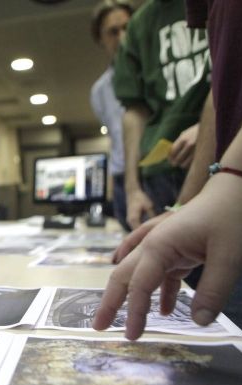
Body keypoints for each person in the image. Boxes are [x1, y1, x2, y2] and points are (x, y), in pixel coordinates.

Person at [94, 0, 242, 343]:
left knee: (236, 319)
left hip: (236, 177)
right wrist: (180, 204)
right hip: (216, 180)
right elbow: (223, 81)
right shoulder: (154, 21)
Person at [113, 0, 211, 229]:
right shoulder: (139, 24)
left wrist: (207, 129)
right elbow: (134, 111)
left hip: (225, 162)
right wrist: (132, 189)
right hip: (161, 175)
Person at [89, 0, 134, 232]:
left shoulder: (152, 74)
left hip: (155, 172)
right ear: (101, 38)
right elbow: (116, 137)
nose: (122, 37)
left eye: (128, 27)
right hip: (121, 177)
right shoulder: (99, 91)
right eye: (113, 32)